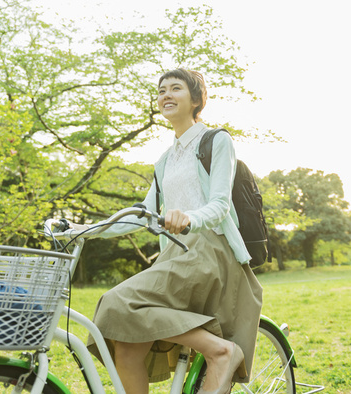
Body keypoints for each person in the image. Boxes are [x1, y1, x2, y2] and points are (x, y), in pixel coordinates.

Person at [68, 68, 263, 394]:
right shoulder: (164, 160)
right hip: (175, 254)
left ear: (196, 99)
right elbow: (141, 217)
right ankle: (215, 348)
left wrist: (188, 219)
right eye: (161, 91)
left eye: (176, 88)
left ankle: (221, 350)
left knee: (117, 303)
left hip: (208, 250)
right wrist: (82, 229)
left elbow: (220, 205)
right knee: (126, 342)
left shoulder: (216, 140)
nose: (166, 95)